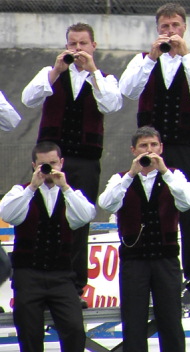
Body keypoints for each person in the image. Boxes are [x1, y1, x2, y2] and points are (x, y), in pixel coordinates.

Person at [119, 3, 190, 302]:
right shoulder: (142, 61)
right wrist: (151, 58)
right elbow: (128, 90)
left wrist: (185, 55)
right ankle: (145, 277)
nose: (170, 32)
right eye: (165, 27)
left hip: (185, 146)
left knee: (189, 211)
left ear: (184, 28)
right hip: (149, 147)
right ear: (157, 29)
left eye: (175, 26)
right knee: (147, 209)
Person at [20, 22, 123, 296]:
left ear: (93, 46)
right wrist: (55, 71)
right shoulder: (50, 74)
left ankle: (75, 286)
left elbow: (112, 104)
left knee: (79, 221)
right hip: (51, 159)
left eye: (83, 44)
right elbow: (28, 99)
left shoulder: (105, 78)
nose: (77, 49)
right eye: (73, 44)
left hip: (86, 160)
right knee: (43, 217)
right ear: (66, 46)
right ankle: (40, 281)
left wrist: (93, 73)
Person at [97, 127, 190, 352]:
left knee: (171, 322)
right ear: (134, 150)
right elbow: (106, 204)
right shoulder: (121, 178)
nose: (149, 150)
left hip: (166, 260)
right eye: (143, 146)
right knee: (133, 324)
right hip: (134, 262)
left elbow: (189, 201)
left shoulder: (174, 175)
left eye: (153, 145)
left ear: (161, 148)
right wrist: (131, 175)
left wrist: (165, 173)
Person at [0, 141, 96, 352]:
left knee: (74, 330)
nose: (49, 169)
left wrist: (65, 187)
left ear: (61, 163)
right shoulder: (22, 191)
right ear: (34, 165)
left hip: (61, 276)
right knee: (29, 333)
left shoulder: (71, 194)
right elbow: (7, 214)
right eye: (43, 165)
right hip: (28, 275)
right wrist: (33, 187)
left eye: (53, 163)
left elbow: (85, 216)